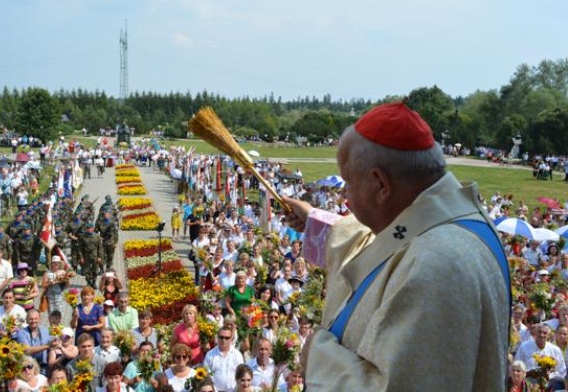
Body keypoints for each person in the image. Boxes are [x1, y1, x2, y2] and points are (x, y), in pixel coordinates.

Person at [281, 102, 509, 389]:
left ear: (380, 183)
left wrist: (319, 356)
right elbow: (384, 241)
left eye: (348, 182)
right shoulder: (450, 222)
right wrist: (314, 219)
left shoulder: (436, 265)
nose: (345, 195)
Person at [204, 326, 244, 392]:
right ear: (217, 337)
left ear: (231, 339)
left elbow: (241, 375)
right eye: (221, 337)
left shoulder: (237, 355)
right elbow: (207, 375)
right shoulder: (210, 355)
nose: (223, 340)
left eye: (227, 338)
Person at [16, 309, 52, 375]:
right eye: (31, 319)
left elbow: (52, 345)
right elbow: (27, 350)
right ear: (26, 320)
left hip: (44, 367)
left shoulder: (45, 331)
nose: (33, 321)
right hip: (28, 368)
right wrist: (48, 345)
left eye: (36, 319)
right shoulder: (21, 333)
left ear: (40, 320)